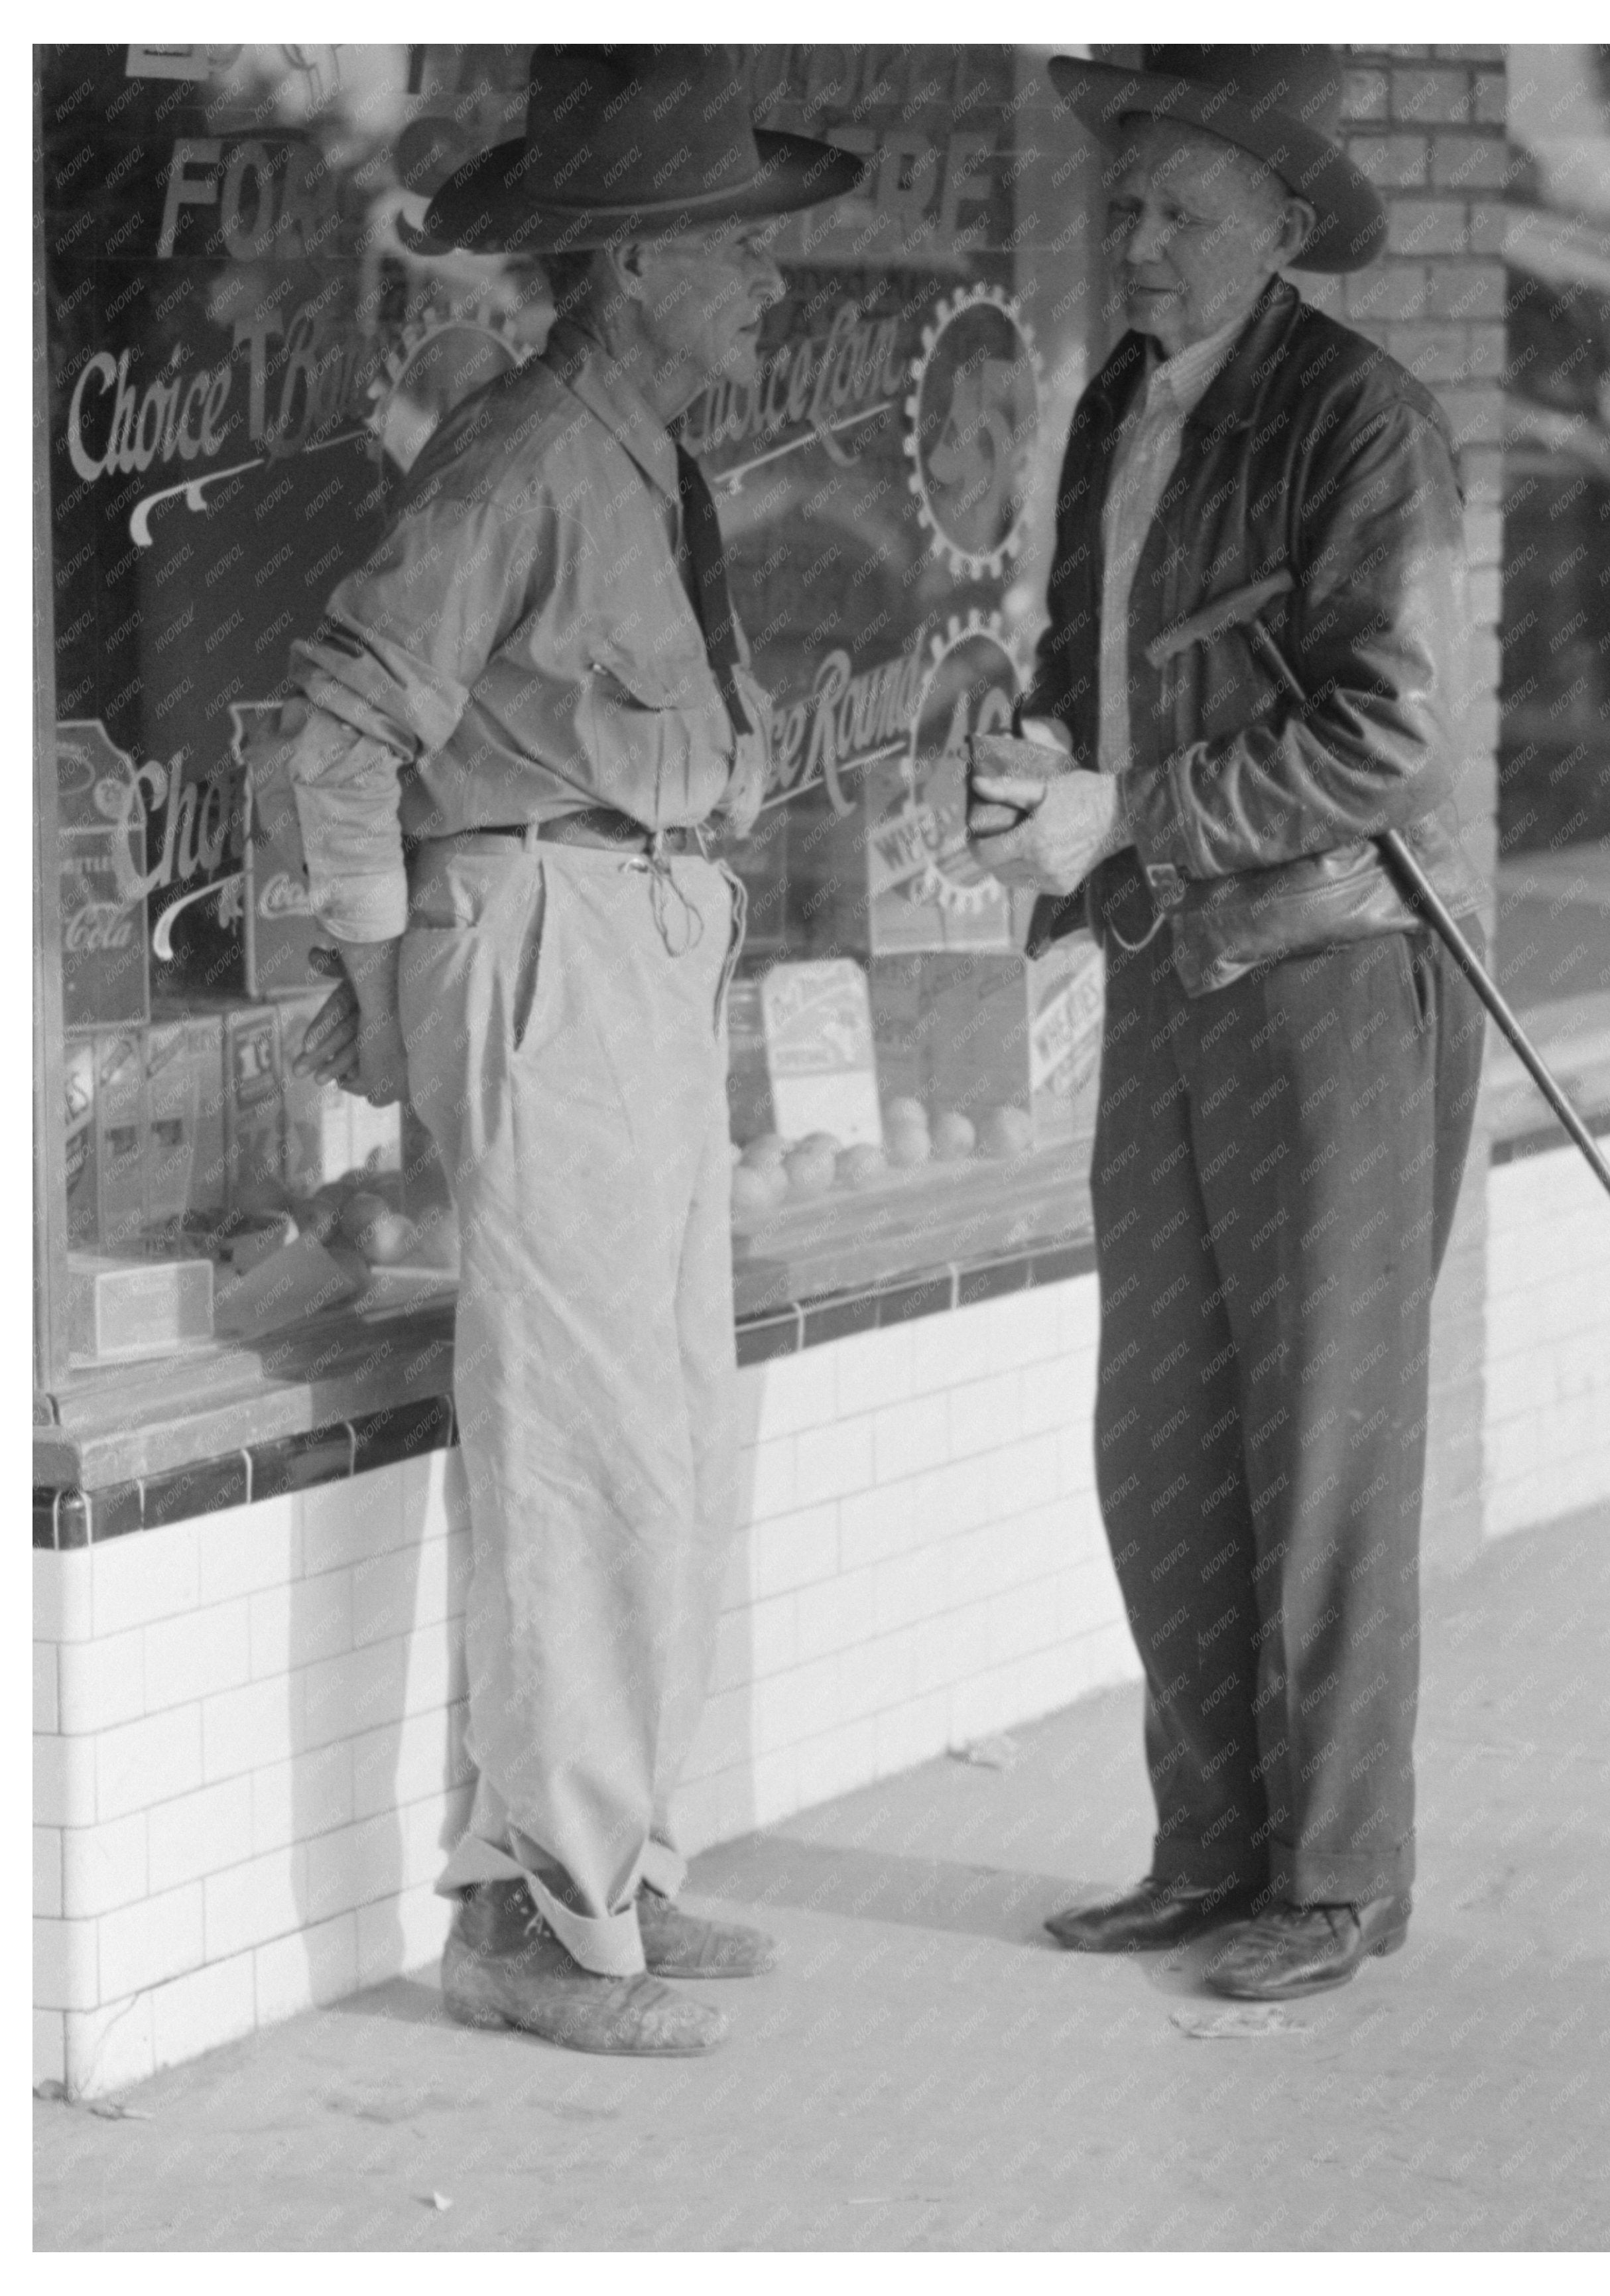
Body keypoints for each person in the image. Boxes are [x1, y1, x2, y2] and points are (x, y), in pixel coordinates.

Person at [273, 47, 862, 2057]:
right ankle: (534, 1916)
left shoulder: (644, 460)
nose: (771, 289)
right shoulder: (523, 455)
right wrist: (379, 989)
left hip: (639, 939)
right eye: (740, 257)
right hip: (543, 935)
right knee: (585, 1434)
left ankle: (611, 1871)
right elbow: (340, 727)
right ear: (630, 262)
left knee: (665, 1428)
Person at [968, 46, 1487, 2002]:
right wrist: (1042, 767)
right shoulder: (1119, 401)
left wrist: (1140, 815)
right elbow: (1082, 653)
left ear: (1282, 229)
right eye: (1124, 209)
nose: (1140, 244)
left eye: (1184, 212)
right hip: (1162, 965)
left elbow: (1382, 725)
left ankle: (1338, 1876)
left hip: (1333, 980)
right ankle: (1207, 1848)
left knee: (1323, 1450)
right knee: (1162, 1435)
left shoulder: (1365, 421)